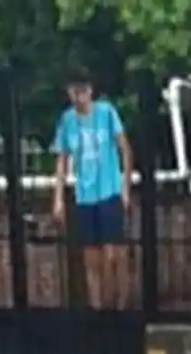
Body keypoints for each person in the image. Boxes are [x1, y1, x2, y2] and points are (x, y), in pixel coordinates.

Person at [51, 67, 133, 309]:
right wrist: (58, 198)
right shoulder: (67, 121)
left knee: (113, 254)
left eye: (83, 91)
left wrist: (125, 188)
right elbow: (62, 159)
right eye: (74, 92)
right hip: (85, 195)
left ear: (90, 91)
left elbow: (124, 149)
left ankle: (119, 306)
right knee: (91, 259)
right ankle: (97, 310)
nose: (79, 97)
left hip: (109, 190)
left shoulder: (106, 113)